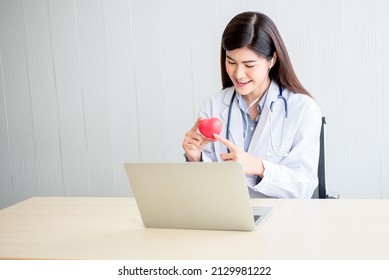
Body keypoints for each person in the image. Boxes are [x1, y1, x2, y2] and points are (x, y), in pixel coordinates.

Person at [182, 11, 321, 199]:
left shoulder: (303, 109)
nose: (238, 74)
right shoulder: (214, 105)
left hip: (282, 218)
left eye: (249, 65)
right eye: (231, 62)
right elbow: (204, 189)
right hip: (227, 216)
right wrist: (196, 158)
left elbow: (304, 185)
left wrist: (258, 167)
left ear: (271, 60)